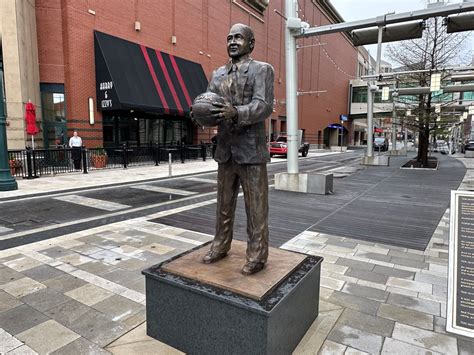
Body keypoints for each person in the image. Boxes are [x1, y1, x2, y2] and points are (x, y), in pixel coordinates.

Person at [201, 23, 274, 275]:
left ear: (250, 44)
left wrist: (237, 112)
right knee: (223, 204)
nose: (232, 42)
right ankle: (220, 245)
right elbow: (208, 103)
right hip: (225, 151)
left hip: (251, 152)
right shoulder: (217, 74)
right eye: (229, 37)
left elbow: (263, 106)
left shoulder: (262, 70)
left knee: (255, 208)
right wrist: (199, 114)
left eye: (239, 38)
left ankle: (257, 255)